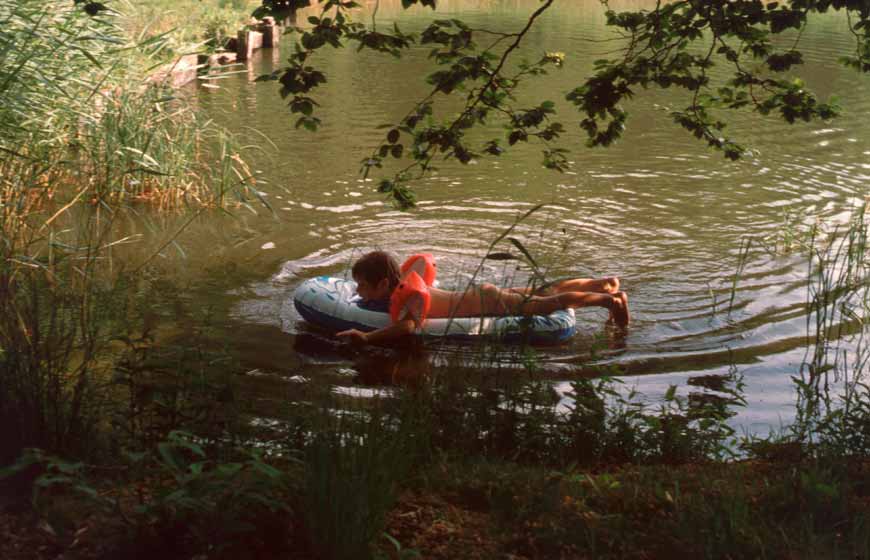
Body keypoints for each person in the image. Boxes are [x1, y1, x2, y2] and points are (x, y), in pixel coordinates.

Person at [336, 250, 629, 345]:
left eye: (361, 285)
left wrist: (366, 337)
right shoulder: (407, 283)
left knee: (545, 303)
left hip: (488, 303)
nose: (358, 291)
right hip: (482, 294)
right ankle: (602, 284)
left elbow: (407, 327)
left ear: (384, 283)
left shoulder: (409, 295)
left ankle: (607, 301)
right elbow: (421, 264)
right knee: (541, 290)